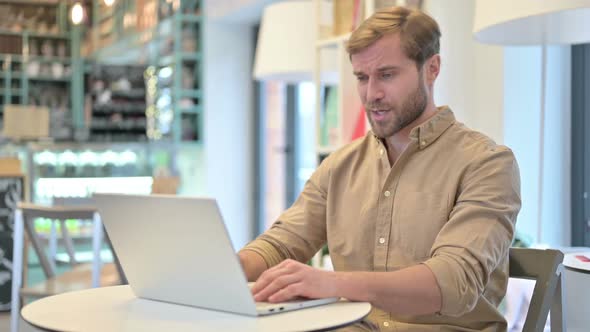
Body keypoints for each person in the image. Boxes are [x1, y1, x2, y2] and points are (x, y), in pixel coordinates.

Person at [239, 6, 521, 331]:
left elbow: (454, 281)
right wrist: (228, 270)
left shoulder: (487, 163)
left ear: (432, 69)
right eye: (362, 77)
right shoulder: (340, 166)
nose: (372, 94)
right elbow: (283, 243)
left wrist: (332, 284)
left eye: (386, 75)